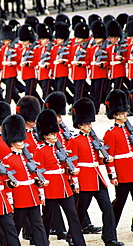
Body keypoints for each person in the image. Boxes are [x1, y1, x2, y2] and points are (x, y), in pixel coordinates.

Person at [68, 98, 124, 246]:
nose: (89, 126)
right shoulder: (74, 140)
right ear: (80, 124)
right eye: (86, 124)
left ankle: (110, 238)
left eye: (90, 123)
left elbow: (96, 159)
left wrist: (104, 159)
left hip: (97, 178)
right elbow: (73, 163)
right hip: (84, 180)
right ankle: (72, 235)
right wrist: (75, 183)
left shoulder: (92, 139)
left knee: (107, 208)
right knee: (80, 211)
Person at [34, 109, 86, 246]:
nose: (54, 136)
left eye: (54, 133)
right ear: (45, 136)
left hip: (64, 188)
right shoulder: (39, 151)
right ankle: (43, 242)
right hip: (50, 189)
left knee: (73, 216)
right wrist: (41, 194)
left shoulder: (59, 149)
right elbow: (38, 173)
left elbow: (63, 168)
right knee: (47, 218)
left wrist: (71, 172)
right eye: (51, 134)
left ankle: (79, 242)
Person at [104, 90, 133, 227]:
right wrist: (112, 175)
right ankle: (111, 227)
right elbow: (109, 157)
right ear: (115, 115)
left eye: (124, 113)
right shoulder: (111, 133)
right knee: (119, 202)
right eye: (121, 114)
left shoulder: (129, 130)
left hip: (132, 170)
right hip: (122, 174)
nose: (124, 115)